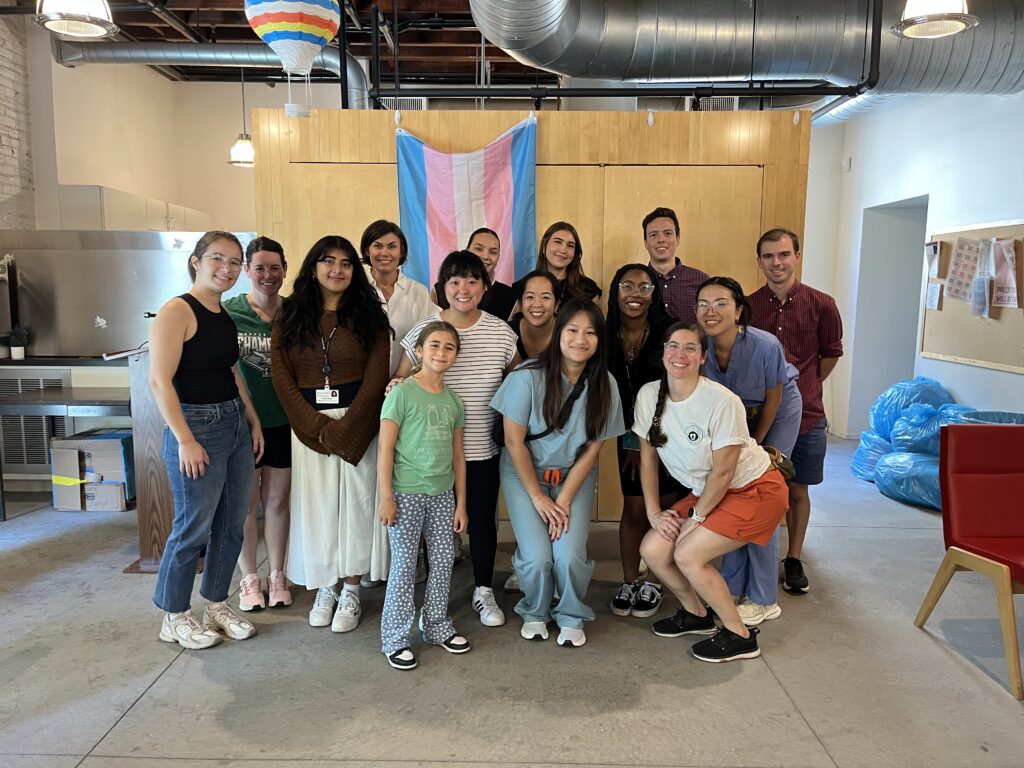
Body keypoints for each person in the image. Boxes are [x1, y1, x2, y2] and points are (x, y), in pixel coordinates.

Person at [634, 322, 789, 662]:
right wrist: (653, 513)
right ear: (663, 353)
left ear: (703, 357)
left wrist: (697, 518)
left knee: (687, 554)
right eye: (674, 346)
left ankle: (741, 635)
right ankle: (697, 615)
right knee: (653, 549)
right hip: (709, 490)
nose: (681, 354)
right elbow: (647, 460)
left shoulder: (722, 401)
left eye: (691, 348)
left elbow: (725, 472)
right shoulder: (648, 396)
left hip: (754, 489)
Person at [148, 231, 265, 649]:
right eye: (218, 258)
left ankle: (216, 603)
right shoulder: (177, 310)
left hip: (232, 422)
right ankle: (173, 614)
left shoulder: (223, 314)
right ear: (197, 260)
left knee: (233, 523)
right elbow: (159, 381)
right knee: (192, 527)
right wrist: (185, 439)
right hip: (195, 427)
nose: (227, 268)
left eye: (235, 262)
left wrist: (250, 419)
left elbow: (231, 373)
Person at [271, 235, 392, 633]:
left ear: (355, 271)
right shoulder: (289, 315)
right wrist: (319, 427)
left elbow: (376, 380)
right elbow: (281, 376)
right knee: (319, 507)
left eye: (345, 263)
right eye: (328, 261)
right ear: (313, 266)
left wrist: (347, 428)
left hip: (360, 424)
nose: (337, 270)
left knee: (356, 508)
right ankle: (326, 586)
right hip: (310, 428)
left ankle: (353, 589)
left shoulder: (371, 316)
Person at [395, 250, 518, 627]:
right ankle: (435, 601)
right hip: (428, 455)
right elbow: (401, 379)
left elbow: (519, 383)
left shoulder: (501, 332)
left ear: (484, 286)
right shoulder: (424, 329)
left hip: (482, 449)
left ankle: (483, 589)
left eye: (471, 281)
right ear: (442, 287)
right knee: (435, 532)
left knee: (481, 522)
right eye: (454, 281)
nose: (463, 289)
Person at [491, 299, 625, 648]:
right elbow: (513, 442)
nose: (581, 339)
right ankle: (535, 610)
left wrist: (563, 500)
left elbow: (594, 448)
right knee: (537, 557)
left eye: (591, 333)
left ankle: (570, 614)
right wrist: (537, 497)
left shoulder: (605, 383)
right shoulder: (526, 378)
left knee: (567, 555)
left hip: (572, 477)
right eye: (572, 330)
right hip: (525, 477)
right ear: (558, 332)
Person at [695, 276, 801, 627]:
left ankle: (763, 597)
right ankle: (734, 587)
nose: (711, 311)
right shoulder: (699, 347)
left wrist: (756, 444)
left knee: (762, 499)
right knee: (732, 497)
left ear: (739, 309)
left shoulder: (764, 344)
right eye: (703, 304)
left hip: (775, 414)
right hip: (734, 423)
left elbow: (774, 398)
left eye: (721, 303)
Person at [747, 228, 844, 594]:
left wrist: (804, 388)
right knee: (762, 488)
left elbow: (830, 354)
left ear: (797, 257)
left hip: (808, 415)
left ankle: (794, 556)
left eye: (784, 254)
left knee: (798, 488)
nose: (777, 263)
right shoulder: (749, 305)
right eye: (769, 256)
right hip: (759, 416)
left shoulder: (822, 304)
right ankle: (756, 550)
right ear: (759, 262)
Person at [378, 321, 470, 670]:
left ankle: (436, 625)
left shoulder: (453, 401)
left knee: (444, 561)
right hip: (406, 493)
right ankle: (395, 638)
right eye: (434, 345)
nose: (441, 353)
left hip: (442, 494)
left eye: (449, 347)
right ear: (418, 350)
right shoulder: (401, 394)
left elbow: (458, 456)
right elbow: (386, 449)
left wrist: (461, 503)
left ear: (456, 355)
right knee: (404, 566)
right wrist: (386, 496)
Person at [605, 264, 681, 619]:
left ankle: (654, 579)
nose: (635, 294)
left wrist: (645, 442)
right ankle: (628, 579)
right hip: (627, 433)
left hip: (669, 434)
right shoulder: (605, 335)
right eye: (627, 286)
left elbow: (676, 389)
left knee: (664, 507)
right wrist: (632, 442)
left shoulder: (669, 333)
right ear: (615, 292)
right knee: (634, 509)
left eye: (644, 287)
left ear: (655, 293)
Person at [224, 235, 293, 612]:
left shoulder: (294, 312)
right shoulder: (230, 312)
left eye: (276, 268)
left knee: (278, 500)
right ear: (247, 270)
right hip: (242, 423)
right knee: (246, 502)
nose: (268, 275)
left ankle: (277, 574)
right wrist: (248, 418)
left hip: (283, 421)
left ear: (285, 270)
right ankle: (249, 578)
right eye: (261, 268)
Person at [361, 220, 437, 375]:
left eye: (392, 246)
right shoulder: (354, 290)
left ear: (401, 252)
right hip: (360, 387)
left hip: (405, 387)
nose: (384, 253)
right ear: (367, 250)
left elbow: (432, 335)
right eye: (377, 246)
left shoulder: (419, 292)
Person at [432, 228, 518, 321]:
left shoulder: (510, 297)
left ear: (498, 257)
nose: (485, 256)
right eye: (479, 249)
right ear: (466, 250)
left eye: (493, 252)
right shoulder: (439, 291)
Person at [643, 207, 709, 324]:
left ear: (678, 239)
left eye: (667, 233)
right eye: (653, 235)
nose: (661, 239)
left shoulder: (701, 280)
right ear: (645, 243)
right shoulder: (638, 282)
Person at [520, 222, 601, 303]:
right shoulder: (523, 287)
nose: (563, 250)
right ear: (544, 245)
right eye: (558, 242)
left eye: (570, 245)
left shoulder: (589, 289)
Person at [508, 269, 560, 360]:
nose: (537, 304)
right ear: (520, 303)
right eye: (530, 297)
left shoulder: (567, 332)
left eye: (545, 297)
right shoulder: (506, 332)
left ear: (556, 304)